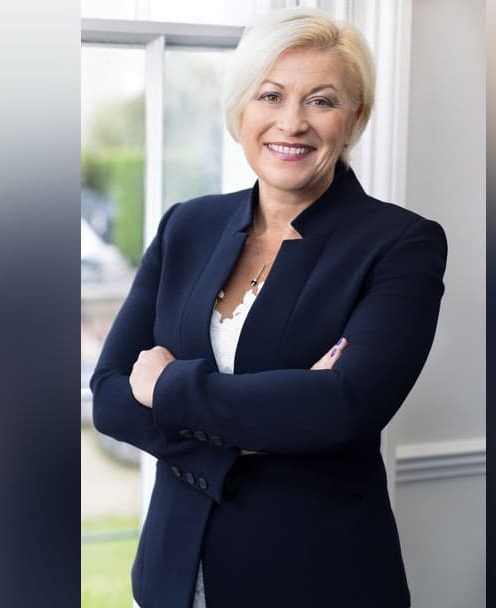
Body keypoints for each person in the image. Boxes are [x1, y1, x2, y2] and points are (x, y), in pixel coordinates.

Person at [90, 8, 448, 607]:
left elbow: (341, 406)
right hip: (173, 577)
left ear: (355, 117)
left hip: (315, 579)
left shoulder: (401, 244)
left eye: (321, 101)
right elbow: (109, 394)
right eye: (271, 95)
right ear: (241, 110)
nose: (292, 122)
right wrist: (254, 434)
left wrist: (168, 387)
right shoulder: (187, 225)